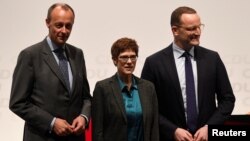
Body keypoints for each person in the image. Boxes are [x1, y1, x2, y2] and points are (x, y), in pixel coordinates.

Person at [141, 6, 235, 141]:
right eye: (191, 28)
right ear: (175, 30)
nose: (198, 32)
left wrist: (210, 127)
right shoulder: (154, 63)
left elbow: (227, 99)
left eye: (199, 27)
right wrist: (172, 130)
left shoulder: (212, 58)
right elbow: (147, 106)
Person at [9, 3, 91, 141]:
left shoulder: (77, 54)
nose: (64, 31)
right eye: (59, 25)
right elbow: (18, 103)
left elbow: (86, 98)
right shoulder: (30, 55)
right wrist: (51, 122)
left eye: (68, 26)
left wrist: (84, 117)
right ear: (47, 23)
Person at [92, 37, 159, 141]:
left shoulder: (148, 88)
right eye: (124, 57)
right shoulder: (103, 88)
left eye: (133, 57)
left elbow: (154, 128)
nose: (129, 62)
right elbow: (98, 131)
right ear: (114, 60)